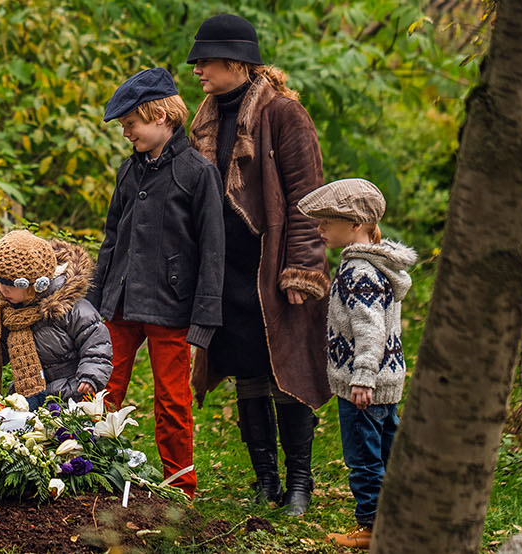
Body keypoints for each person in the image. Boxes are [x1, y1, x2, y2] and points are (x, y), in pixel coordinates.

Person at [186, 13, 332, 515]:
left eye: (205, 60)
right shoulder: (204, 117)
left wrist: (303, 268)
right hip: (225, 270)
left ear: (236, 61)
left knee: (284, 370)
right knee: (246, 370)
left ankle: (300, 484)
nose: (198, 70)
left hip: (272, 268)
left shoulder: (284, 114)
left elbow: (308, 199)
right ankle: (265, 481)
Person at [86, 66, 225, 498]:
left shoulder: (197, 173)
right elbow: (112, 240)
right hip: (120, 304)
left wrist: (203, 319)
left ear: (161, 115)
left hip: (171, 308)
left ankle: (180, 486)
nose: (127, 132)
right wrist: (92, 300)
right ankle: (87, 470)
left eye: (132, 123)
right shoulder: (129, 173)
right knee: (100, 390)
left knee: (171, 400)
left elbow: (213, 251)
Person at [298, 179, 415, 550]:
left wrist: (362, 376)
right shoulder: (378, 264)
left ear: (355, 225)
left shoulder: (358, 272)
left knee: (364, 457)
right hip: (388, 380)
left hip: (364, 384)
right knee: (386, 452)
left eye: (326, 222)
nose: (319, 229)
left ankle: (372, 527)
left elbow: (370, 329)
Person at [0, 230, 112, 410]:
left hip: (70, 395)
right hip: (28, 398)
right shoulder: (9, 312)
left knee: (67, 437)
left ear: (36, 284)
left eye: (9, 285)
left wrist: (90, 376)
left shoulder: (71, 309)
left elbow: (97, 345)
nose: (3, 290)